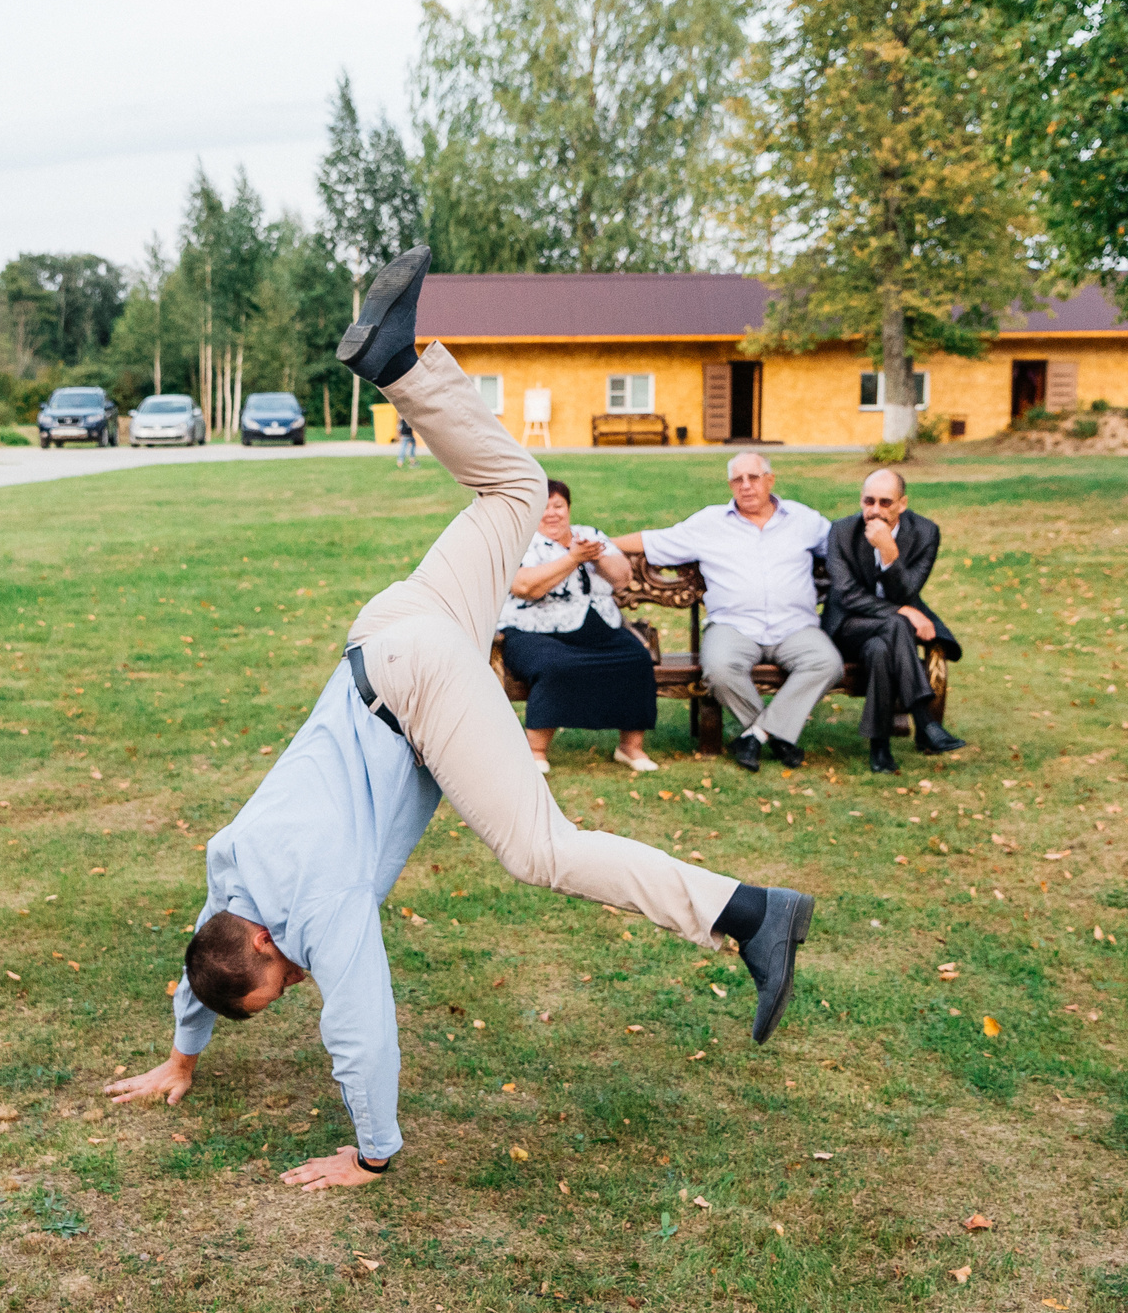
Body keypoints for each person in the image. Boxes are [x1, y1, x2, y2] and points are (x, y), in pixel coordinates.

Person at [103, 247, 814, 1191]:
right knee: (518, 492)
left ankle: (753, 913)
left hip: (419, 683)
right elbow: (205, 949)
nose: (297, 988)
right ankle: (399, 363)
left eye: (282, 986)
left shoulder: (316, 912)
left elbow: (356, 1021)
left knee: (542, 851)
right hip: (388, 630)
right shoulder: (228, 865)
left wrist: (373, 1151)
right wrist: (182, 1056)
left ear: (267, 943)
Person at [610, 454, 839, 774]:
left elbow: (846, 549)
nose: (745, 486)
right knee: (718, 668)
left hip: (795, 626)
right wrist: (601, 544)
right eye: (737, 480)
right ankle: (777, 734)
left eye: (753, 477)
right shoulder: (709, 523)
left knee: (826, 663)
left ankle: (756, 735)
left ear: (770, 480)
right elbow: (654, 541)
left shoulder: (805, 521)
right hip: (734, 625)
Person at [500, 480, 660, 776]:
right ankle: (535, 751)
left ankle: (630, 747)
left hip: (598, 625)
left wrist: (597, 556)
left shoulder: (590, 536)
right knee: (555, 666)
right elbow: (526, 587)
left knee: (635, 659)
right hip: (533, 629)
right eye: (544, 507)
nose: (552, 513)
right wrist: (572, 559)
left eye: (558, 506)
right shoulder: (518, 541)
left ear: (569, 508)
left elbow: (622, 578)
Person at [825, 468, 965, 772]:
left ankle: (881, 750)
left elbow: (907, 592)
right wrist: (903, 612)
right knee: (897, 623)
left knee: (880, 650)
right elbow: (847, 596)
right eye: (868, 501)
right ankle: (926, 722)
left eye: (885, 503)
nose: (875, 511)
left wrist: (889, 553)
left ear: (902, 504)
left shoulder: (925, 533)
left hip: (885, 636)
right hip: (848, 627)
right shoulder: (841, 532)